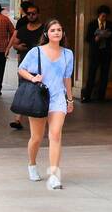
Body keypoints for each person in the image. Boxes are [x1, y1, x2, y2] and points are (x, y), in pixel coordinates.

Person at [18, 19, 74, 189]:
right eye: (53, 30)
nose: (56, 32)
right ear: (46, 34)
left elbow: (67, 78)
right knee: (36, 137)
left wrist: (69, 99)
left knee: (55, 135)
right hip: (39, 98)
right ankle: (32, 164)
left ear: (63, 33)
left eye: (59, 29)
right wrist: (33, 78)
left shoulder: (67, 54)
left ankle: (54, 175)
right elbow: (21, 69)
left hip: (58, 99)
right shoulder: (36, 52)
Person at [6, 2, 45, 130]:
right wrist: (17, 46)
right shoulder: (23, 29)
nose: (31, 16)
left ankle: (42, 116)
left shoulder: (44, 29)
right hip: (25, 63)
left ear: (38, 14)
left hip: (41, 64)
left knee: (41, 90)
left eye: (34, 13)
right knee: (23, 88)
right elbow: (15, 42)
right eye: (29, 14)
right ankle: (18, 119)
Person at [80, 5, 112, 103]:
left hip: (106, 53)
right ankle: (87, 96)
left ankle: (101, 96)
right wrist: (95, 38)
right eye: (103, 16)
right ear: (99, 15)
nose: (104, 18)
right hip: (95, 53)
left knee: (104, 75)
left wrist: (108, 35)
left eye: (106, 16)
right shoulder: (92, 24)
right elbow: (87, 38)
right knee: (91, 74)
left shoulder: (110, 25)